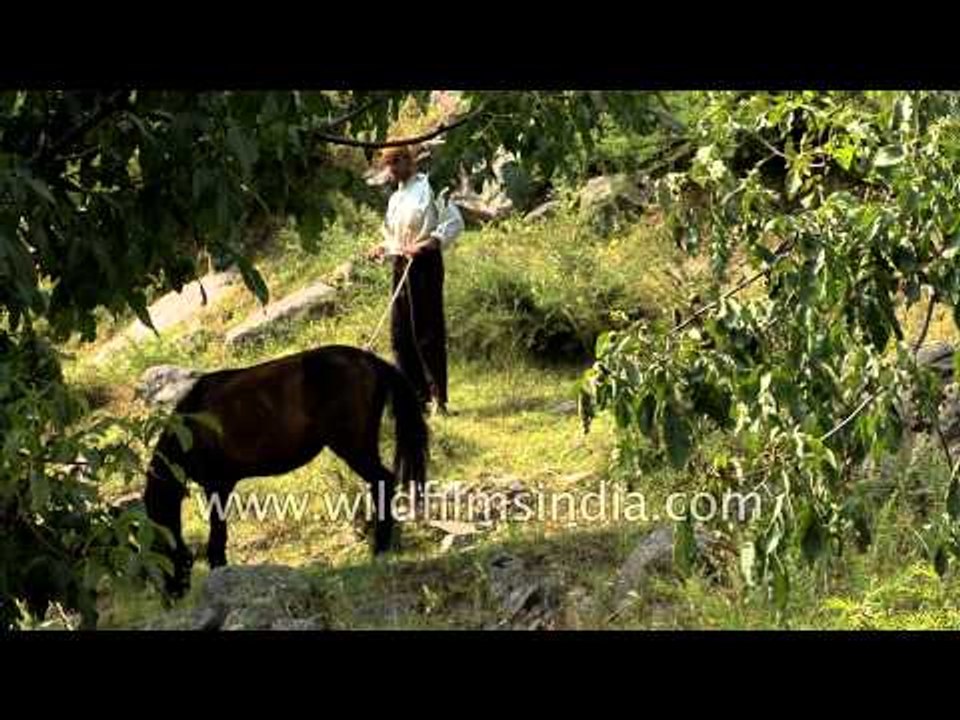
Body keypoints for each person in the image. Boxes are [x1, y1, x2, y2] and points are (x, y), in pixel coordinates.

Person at [369, 144, 464, 416]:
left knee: (426, 330)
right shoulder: (395, 198)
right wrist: (382, 248)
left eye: (396, 162)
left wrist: (430, 243)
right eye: (388, 165)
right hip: (401, 263)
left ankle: (438, 399)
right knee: (400, 334)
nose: (392, 170)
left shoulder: (431, 187)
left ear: (409, 160)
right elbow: (391, 234)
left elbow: (453, 222)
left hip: (424, 263)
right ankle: (415, 396)